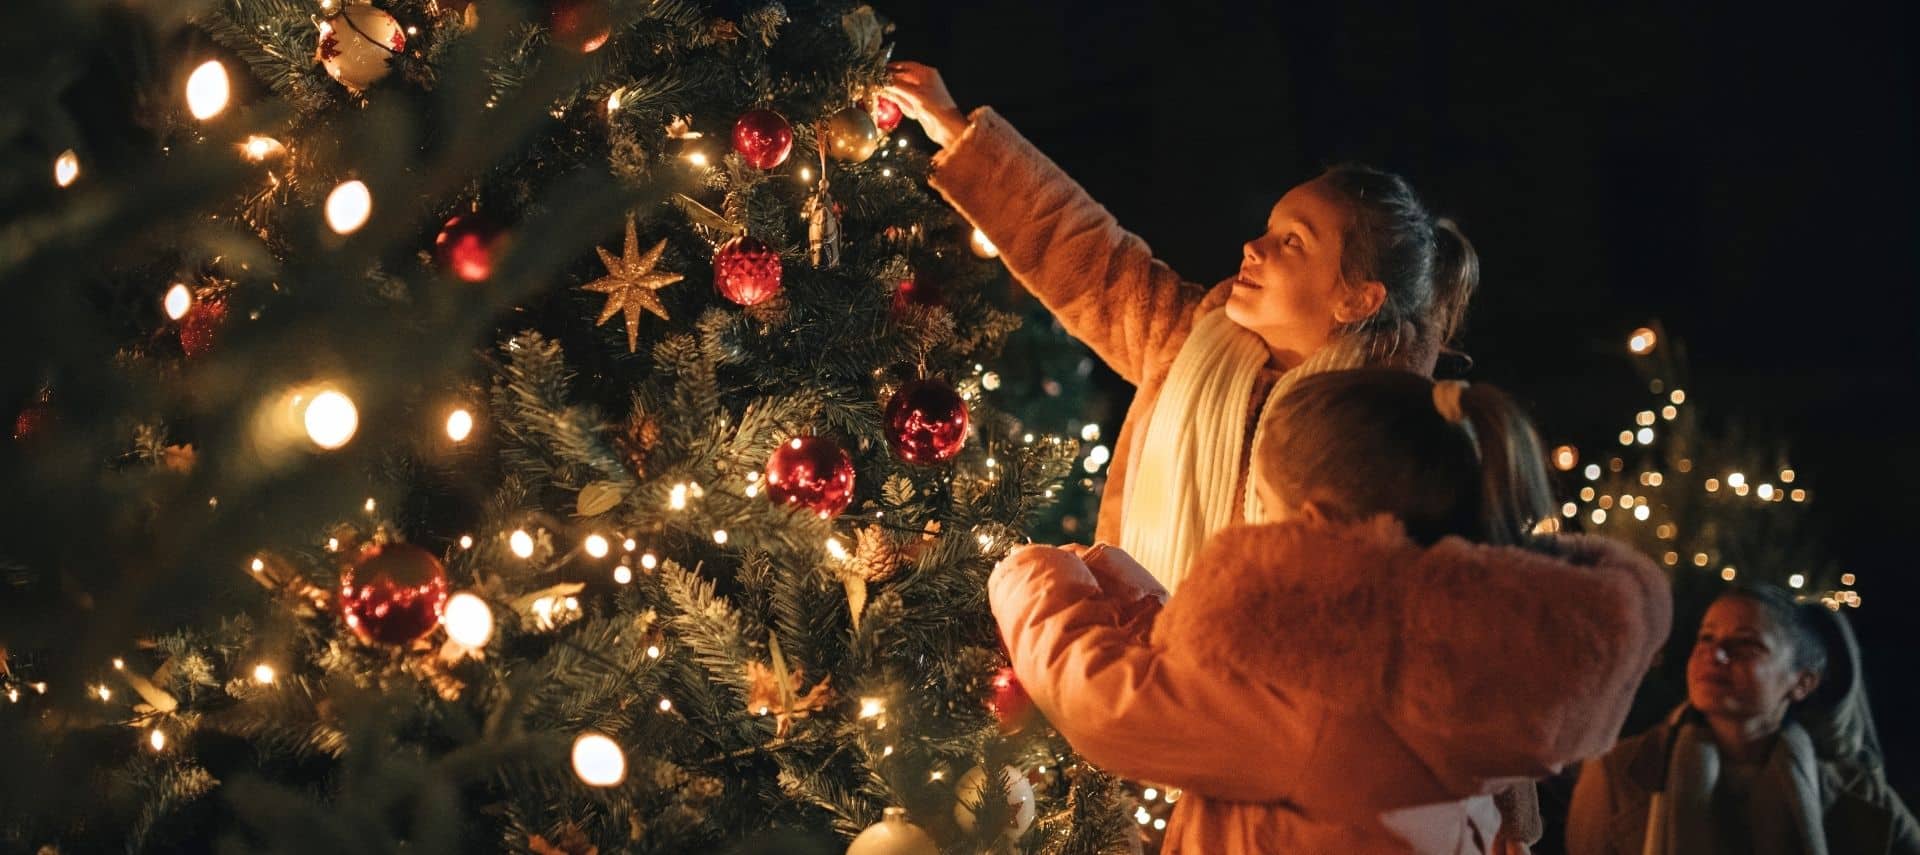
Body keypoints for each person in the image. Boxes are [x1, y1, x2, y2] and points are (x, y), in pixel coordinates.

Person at [988, 370, 1673, 854]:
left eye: (1268, 511)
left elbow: (1109, 702)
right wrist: (1115, 582)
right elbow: (1220, 687)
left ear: (1314, 525)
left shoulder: (1322, 694)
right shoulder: (1462, 653)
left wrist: (1032, 572)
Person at [887, 62, 1478, 592]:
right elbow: (1085, 251)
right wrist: (955, 130)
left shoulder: (1395, 444)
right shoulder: (1186, 340)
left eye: (1291, 242)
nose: (1253, 247)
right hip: (1143, 678)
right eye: (1269, 229)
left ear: (1356, 299)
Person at [1567, 585, 1920, 855]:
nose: (1714, 654)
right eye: (1706, 637)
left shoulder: (1860, 796)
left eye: (1746, 646)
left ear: (1802, 682)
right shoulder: (1620, 773)